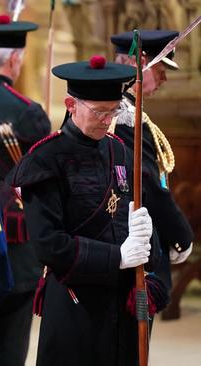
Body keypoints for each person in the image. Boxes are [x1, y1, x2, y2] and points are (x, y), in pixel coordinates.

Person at [7, 57, 165, 366]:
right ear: (71, 104)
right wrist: (118, 257)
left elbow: (129, 213)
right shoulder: (45, 160)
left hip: (122, 303)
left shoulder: (119, 149)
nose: (107, 121)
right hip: (75, 304)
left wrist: (148, 241)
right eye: (99, 112)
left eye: (113, 111)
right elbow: (49, 245)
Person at [0, 14, 51, 366]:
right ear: (16, 59)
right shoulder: (27, 112)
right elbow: (44, 182)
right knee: (9, 348)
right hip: (13, 245)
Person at [110, 30, 194, 290]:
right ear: (142, 63)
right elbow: (147, 185)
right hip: (133, 242)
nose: (165, 79)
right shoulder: (123, 116)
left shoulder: (123, 109)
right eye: (161, 70)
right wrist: (182, 236)